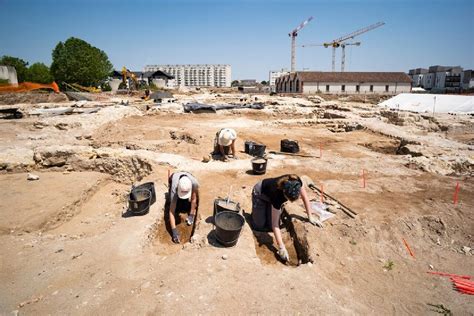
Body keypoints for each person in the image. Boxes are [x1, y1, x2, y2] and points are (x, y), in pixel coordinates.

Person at [251, 174, 321, 262]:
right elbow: (275, 225)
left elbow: (305, 197)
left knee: (269, 227)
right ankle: (256, 212)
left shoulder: (296, 182)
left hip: (271, 198)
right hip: (260, 193)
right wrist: (281, 247)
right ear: (284, 192)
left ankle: (267, 208)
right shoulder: (277, 195)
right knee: (259, 226)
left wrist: (310, 216)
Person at [168, 171, 199, 244]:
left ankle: (184, 202)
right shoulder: (174, 187)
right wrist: (174, 231)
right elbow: (171, 211)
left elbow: (193, 199)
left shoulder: (194, 183)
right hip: (175, 177)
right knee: (175, 204)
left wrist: (191, 214)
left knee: (185, 204)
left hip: (189, 177)